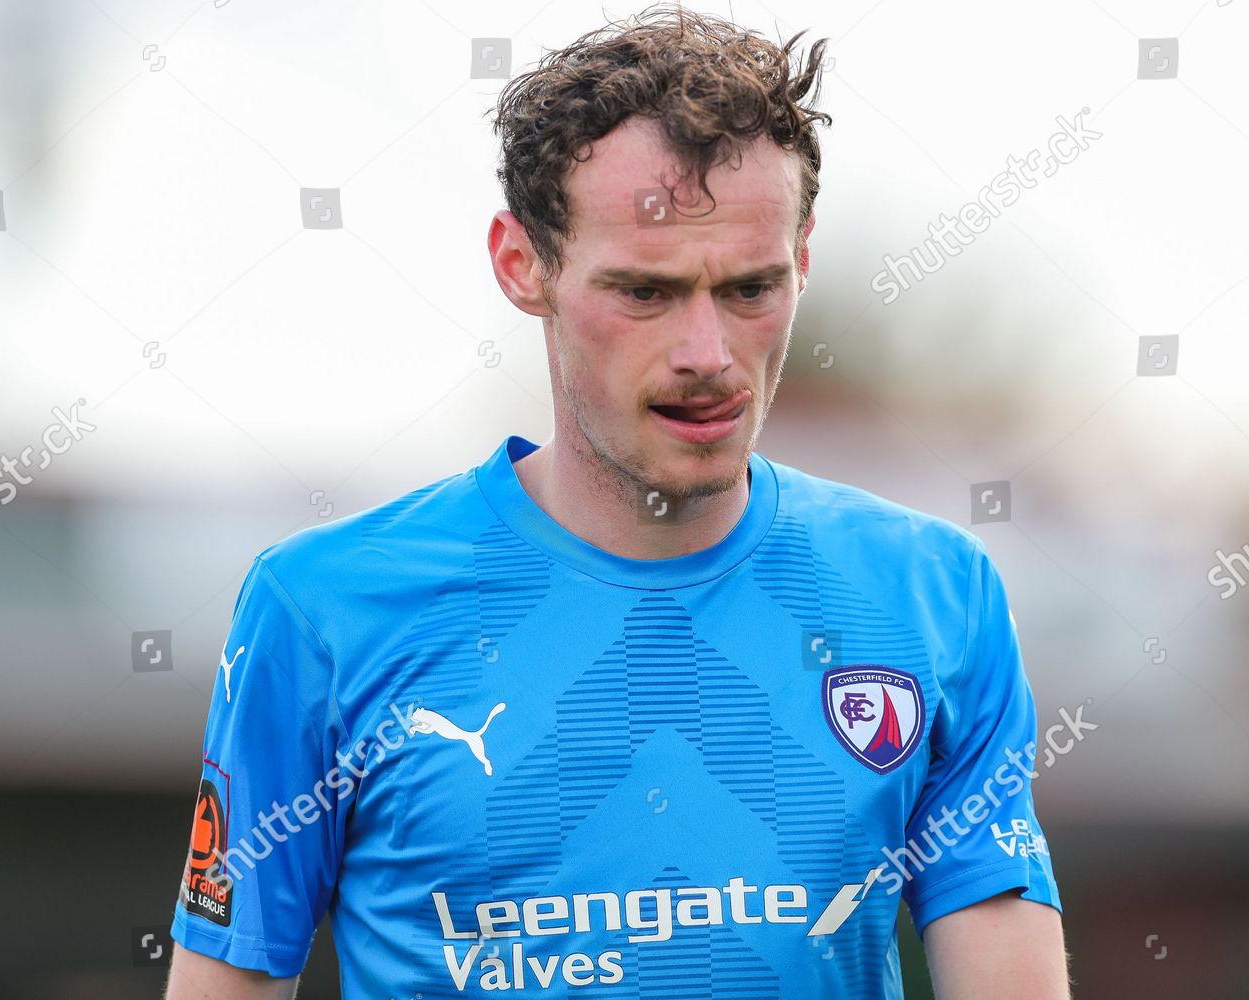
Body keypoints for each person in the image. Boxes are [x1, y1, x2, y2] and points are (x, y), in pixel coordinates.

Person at [165, 6, 1069, 997]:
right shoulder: (323, 610)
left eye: (751, 288)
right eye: (645, 291)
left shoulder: (931, 597)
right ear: (523, 265)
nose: (708, 354)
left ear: (802, 258)